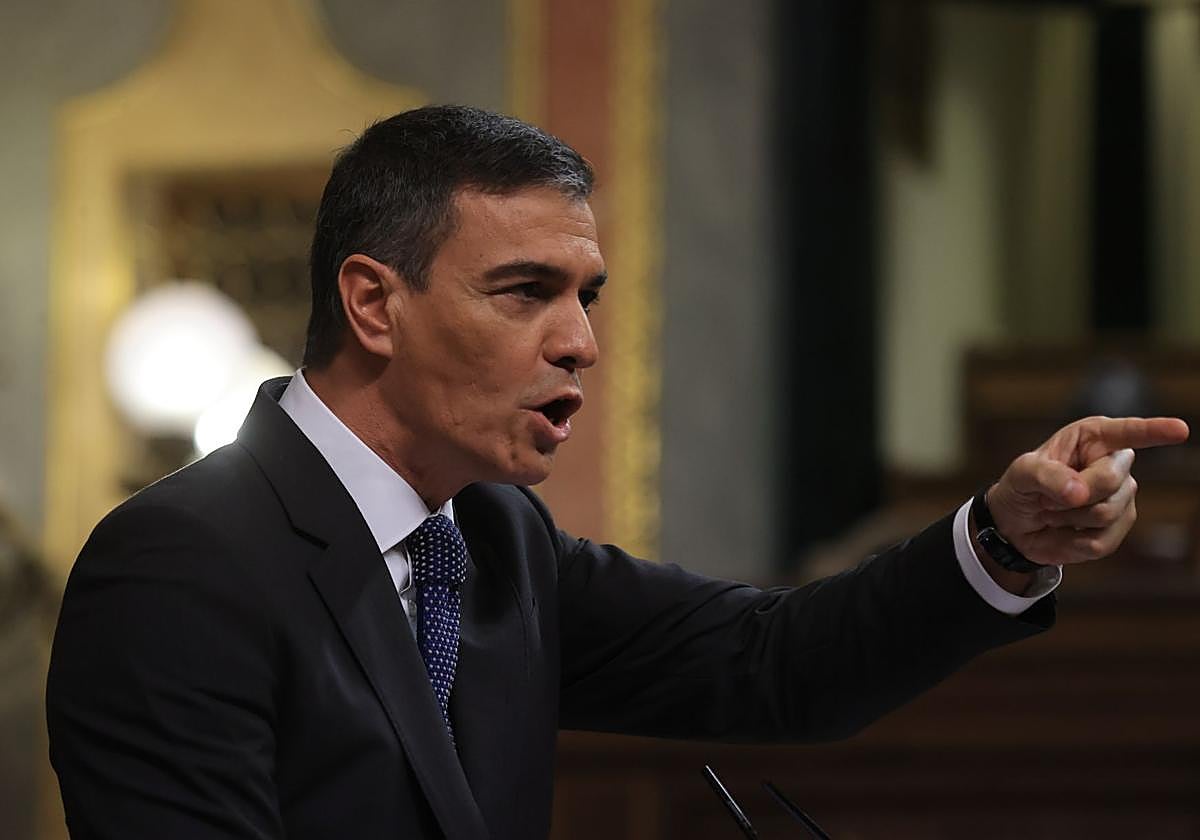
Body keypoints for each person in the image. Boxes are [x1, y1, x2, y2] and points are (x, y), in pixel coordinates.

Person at [46, 106, 1188, 840]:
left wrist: (1001, 540)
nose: (582, 343)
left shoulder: (494, 539)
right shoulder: (181, 563)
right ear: (373, 305)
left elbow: (775, 664)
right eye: (526, 292)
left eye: (585, 297)